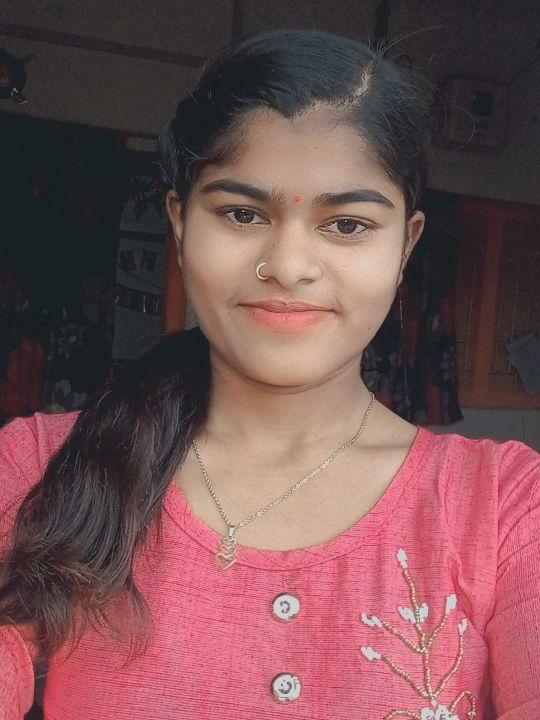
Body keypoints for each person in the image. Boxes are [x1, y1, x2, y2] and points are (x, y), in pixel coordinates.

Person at [0, 27, 538, 720]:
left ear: (406, 244)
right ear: (180, 223)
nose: (287, 265)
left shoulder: (506, 509)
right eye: (241, 213)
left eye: (347, 225)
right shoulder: (35, 468)